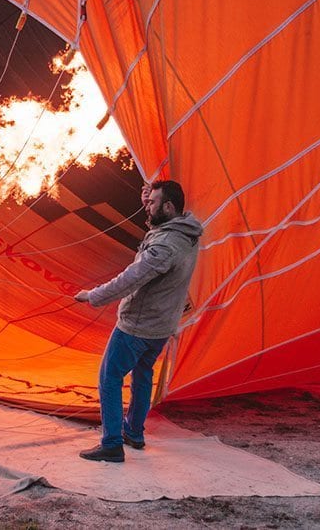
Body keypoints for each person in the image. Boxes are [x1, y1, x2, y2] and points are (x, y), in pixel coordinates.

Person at [73, 180, 203, 462]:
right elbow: (160, 232)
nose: (147, 205)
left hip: (138, 326)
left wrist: (93, 296)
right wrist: (149, 200)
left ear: (169, 207)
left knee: (109, 377)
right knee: (143, 376)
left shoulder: (166, 246)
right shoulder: (186, 233)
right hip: (162, 326)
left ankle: (111, 444)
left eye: (153, 202)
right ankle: (133, 431)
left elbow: (131, 278)